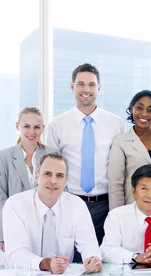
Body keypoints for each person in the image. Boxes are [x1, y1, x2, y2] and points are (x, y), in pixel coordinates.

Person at [46, 63, 125, 245]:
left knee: (104, 259)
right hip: (71, 203)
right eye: (81, 84)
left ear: (99, 88)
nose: (86, 89)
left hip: (106, 205)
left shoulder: (116, 124)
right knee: (72, 260)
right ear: (72, 87)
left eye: (91, 84)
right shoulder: (58, 125)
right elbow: (51, 167)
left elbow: (120, 166)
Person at [2, 152, 102, 274]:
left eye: (59, 176)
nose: (53, 181)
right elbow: (15, 254)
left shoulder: (77, 205)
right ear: (37, 176)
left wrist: (92, 258)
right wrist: (47, 263)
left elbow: (88, 243)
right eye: (47, 174)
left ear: (66, 181)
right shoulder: (15, 205)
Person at [108, 90, 151, 210]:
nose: (144, 113)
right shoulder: (121, 141)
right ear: (131, 108)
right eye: (139, 107)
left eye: (150, 110)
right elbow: (115, 185)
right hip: (131, 207)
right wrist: (117, 216)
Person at [0, 107, 57, 251]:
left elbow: (60, 191)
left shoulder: (53, 154)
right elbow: (1, 200)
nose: (31, 132)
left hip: (48, 226)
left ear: (43, 128)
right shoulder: (4, 157)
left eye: (37, 127)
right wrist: (2, 235)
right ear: (17, 126)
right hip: (15, 226)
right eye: (26, 126)